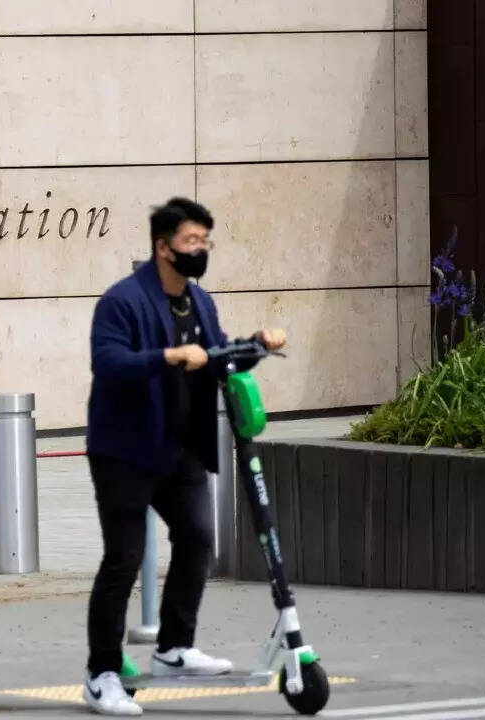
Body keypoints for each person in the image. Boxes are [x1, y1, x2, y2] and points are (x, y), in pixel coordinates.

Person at [82, 197, 287, 716]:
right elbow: (109, 363)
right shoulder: (123, 301)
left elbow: (217, 358)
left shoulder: (199, 302)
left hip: (180, 449)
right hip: (125, 450)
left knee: (197, 537)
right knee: (123, 558)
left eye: (205, 241)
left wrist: (258, 345)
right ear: (163, 246)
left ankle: (174, 648)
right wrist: (168, 356)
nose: (200, 249)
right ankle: (102, 673)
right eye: (191, 240)